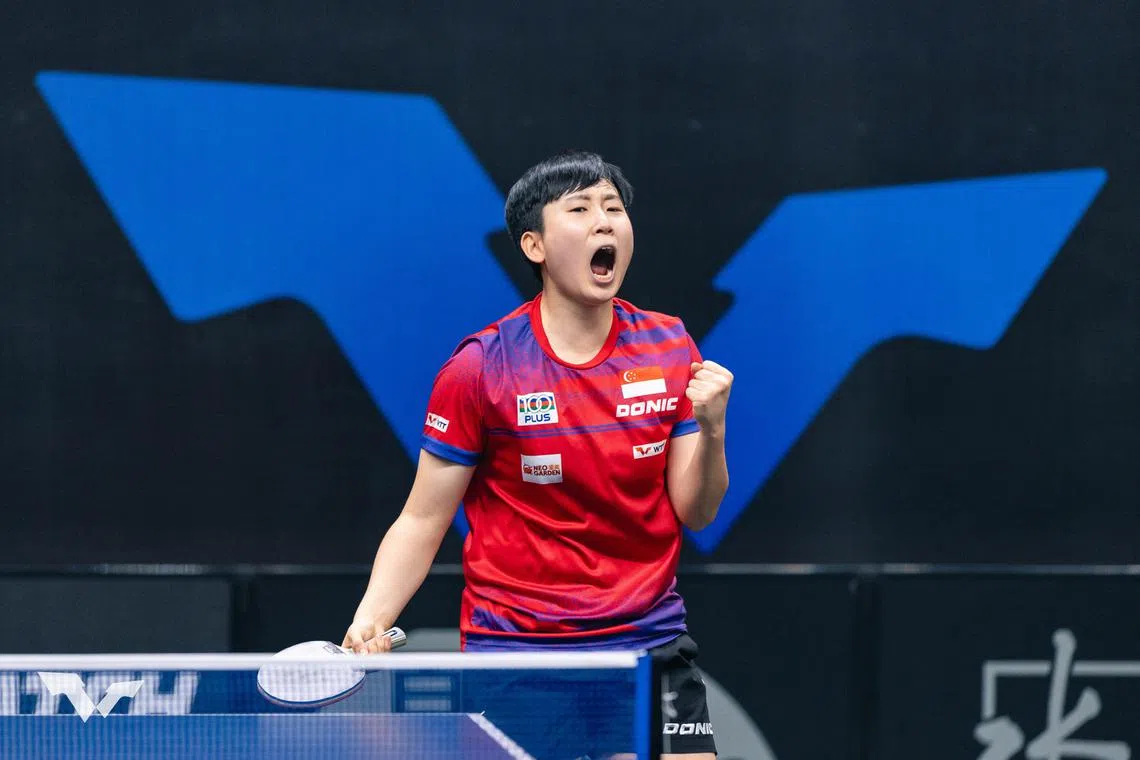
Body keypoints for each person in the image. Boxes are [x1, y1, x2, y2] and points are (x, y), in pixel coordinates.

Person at [343, 150, 732, 759]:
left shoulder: (669, 345)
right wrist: (370, 619)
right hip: (518, 652)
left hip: (648, 640)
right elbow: (422, 518)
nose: (604, 221)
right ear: (535, 245)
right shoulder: (482, 367)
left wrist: (712, 430)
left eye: (613, 208)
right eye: (580, 209)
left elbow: (697, 511)